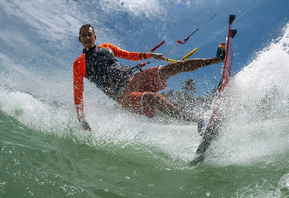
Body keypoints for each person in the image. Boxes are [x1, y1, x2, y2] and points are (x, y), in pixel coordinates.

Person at [73, 24, 225, 131]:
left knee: (174, 67)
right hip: (123, 95)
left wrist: (150, 55)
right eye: (83, 35)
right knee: (155, 98)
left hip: (135, 78)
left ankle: (217, 59)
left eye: (90, 34)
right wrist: (81, 118)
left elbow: (129, 55)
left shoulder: (106, 47)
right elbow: (78, 92)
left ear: (95, 36)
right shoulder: (79, 63)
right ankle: (199, 120)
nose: (87, 37)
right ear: (79, 39)